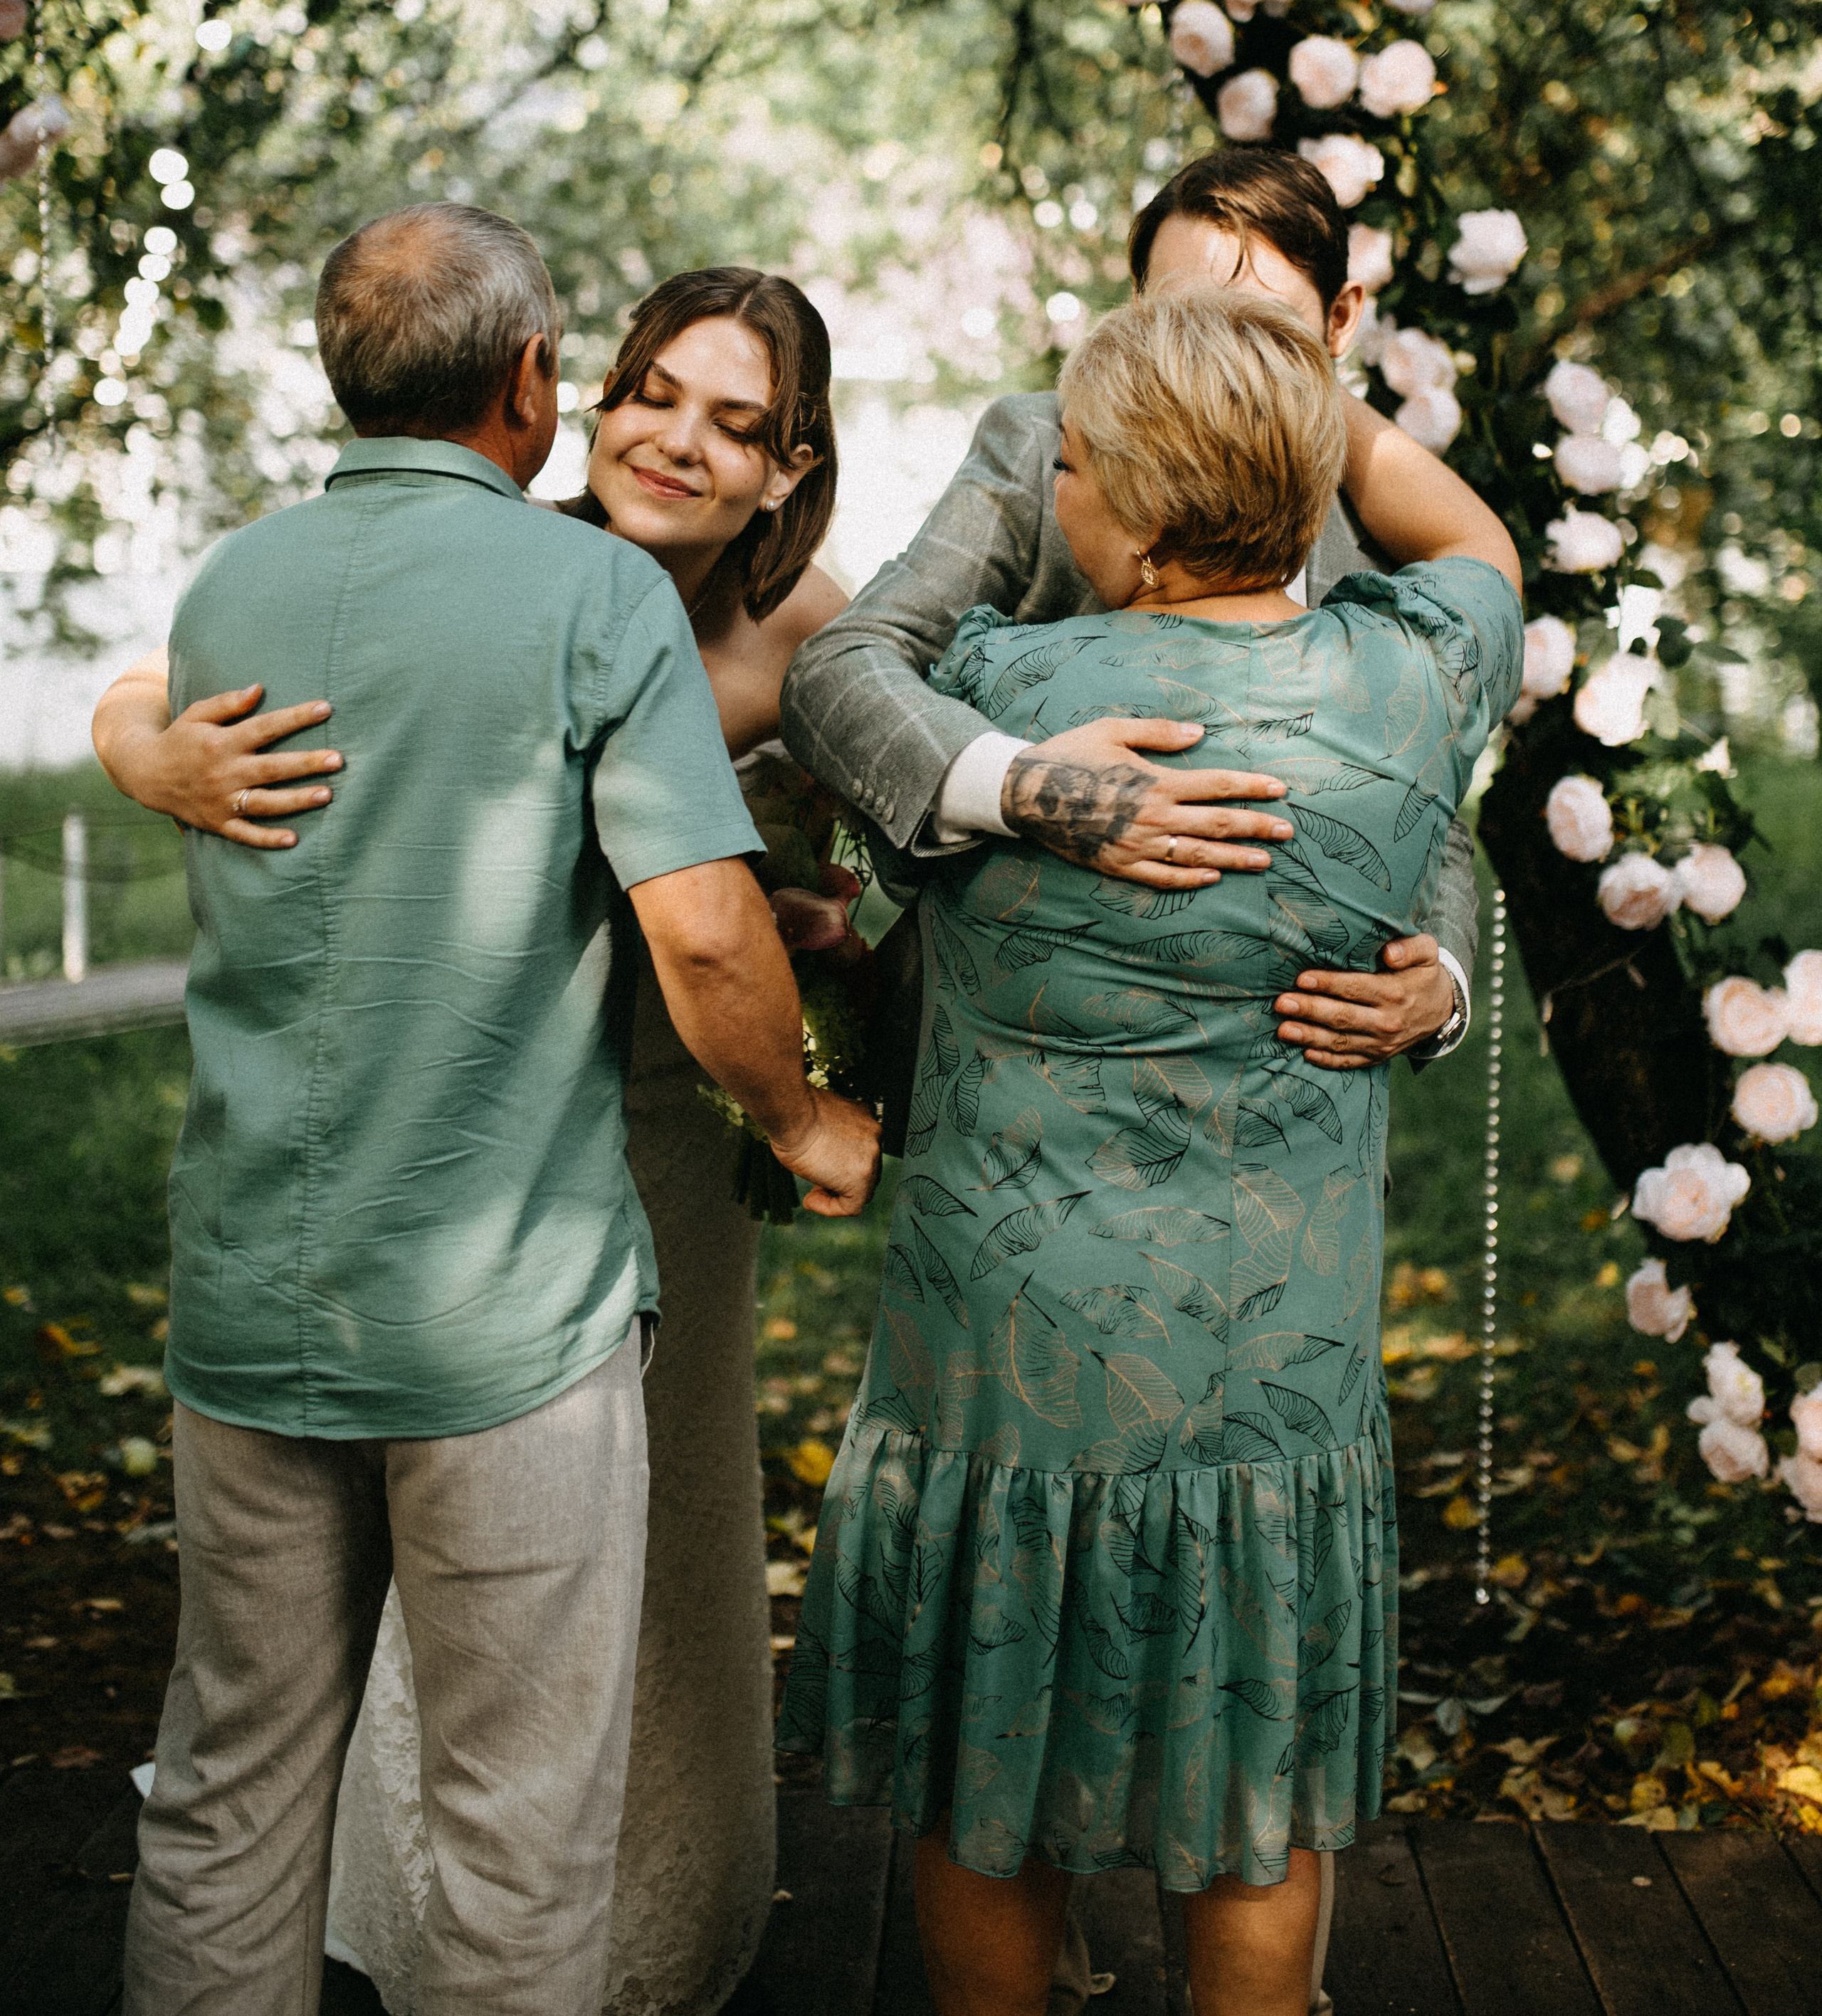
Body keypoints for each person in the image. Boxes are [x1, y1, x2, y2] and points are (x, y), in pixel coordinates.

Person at [101, 212, 879, 2016]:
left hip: (247, 1288)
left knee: (221, 1796)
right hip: (503, 1308)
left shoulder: (241, 575)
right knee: (520, 1827)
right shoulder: (591, 596)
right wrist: (806, 1116)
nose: (673, 437)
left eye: (731, 417)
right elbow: (698, 922)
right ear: (542, 381)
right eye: (641, 387)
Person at [779, 289, 1522, 2016]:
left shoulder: (1003, 693)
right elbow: (1475, 541)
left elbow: (838, 685)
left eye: (1078, 457)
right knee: (1256, 1784)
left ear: (1146, 497)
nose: (1056, 479)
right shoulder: (1417, 678)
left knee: (987, 1751)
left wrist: (1014, 783)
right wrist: (1307, 404)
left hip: (996, 1356)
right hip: (1272, 1357)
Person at [781, 149, 1480, 1077]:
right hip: (1023, 1066)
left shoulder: (1385, 511)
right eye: (1174, 315)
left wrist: (1444, 984)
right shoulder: (1044, 446)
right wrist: (1023, 786)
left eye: (1259, 321)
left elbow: (1423, 778)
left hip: (1288, 1111)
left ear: (1341, 319)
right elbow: (841, 670)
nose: (1216, 354)